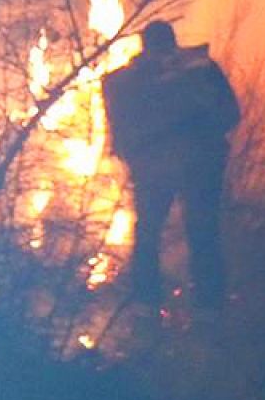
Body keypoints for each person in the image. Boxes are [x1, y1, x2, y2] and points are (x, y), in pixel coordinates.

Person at [102, 20, 240, 311]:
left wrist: (138, 156)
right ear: (173, 42)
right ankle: (210, 306)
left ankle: (146, 303)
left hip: (153, 170)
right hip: (201, 166)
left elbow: (120, 132)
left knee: (148, 233)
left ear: (144, 45)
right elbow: (231, 113)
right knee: (204, 232)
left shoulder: (123, 82)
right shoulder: (202, 70)